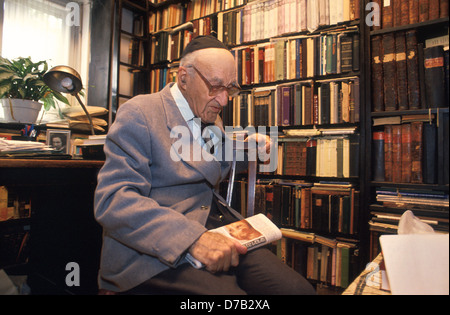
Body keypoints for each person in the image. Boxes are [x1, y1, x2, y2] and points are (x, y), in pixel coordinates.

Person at [94, 35, 315, 295]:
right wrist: (192, 239)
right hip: (158, 246)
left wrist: (247, 146)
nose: (223, 100)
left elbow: (206, 163)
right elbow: (114, 200)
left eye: (230, 88)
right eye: (215, 86)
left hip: (217, 228)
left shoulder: (209, 114)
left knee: (299, 290)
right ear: (184, 77)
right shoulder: (140, 112)